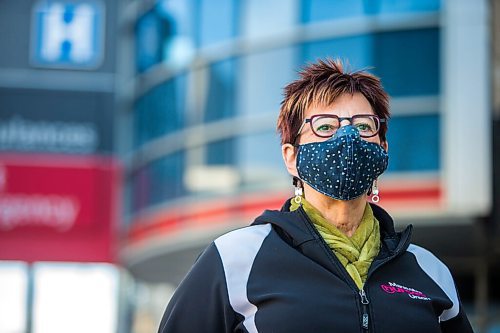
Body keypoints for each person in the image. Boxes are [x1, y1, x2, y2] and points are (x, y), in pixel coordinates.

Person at [157, 58, 473, 333]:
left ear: (383, 149)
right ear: (291, 156)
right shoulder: (234, 259)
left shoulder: (430, 271)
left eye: (363, 126)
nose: (348, 137)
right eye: (325, 127)